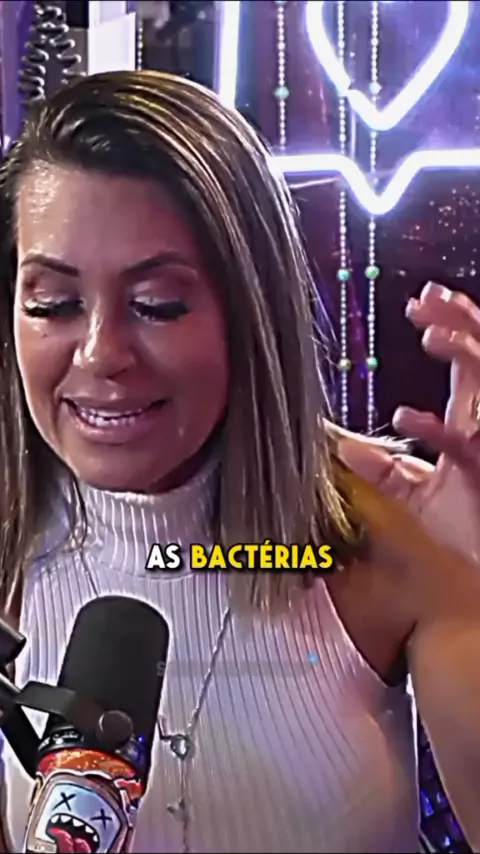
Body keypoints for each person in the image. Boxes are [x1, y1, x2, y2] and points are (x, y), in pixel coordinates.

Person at [0, 69, 480, 854]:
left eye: (156, 305)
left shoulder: (385, 531)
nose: (100, 354)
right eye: (52, 303)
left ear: (251, 313)